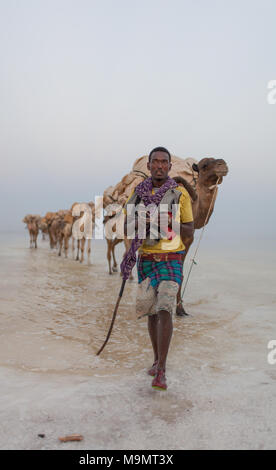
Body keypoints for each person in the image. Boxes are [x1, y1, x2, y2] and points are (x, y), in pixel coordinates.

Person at [121, 147, 194, 390]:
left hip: (171, 259)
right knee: (151, 312)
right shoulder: (137, 193)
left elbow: (189, 229)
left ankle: (161, 369)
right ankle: (155, 359)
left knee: (165, 309)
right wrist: (144, 225)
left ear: (169, 166)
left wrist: (167, 228)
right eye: (156, 162)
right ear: (149, 166)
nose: (160, 166)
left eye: (164, 162)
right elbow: (128, 224)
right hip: (146, 260)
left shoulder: (180, 193)